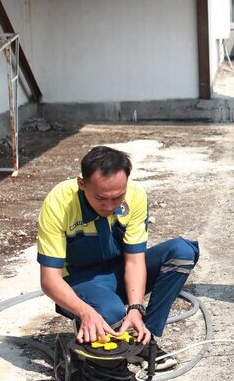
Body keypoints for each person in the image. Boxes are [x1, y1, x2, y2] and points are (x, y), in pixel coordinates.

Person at [37, 146, 199, 367]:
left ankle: (144, 339)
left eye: (118, 197)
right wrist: (84, 311)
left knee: (182, 252)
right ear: (82, 184)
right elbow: (49, 280)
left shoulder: (135, 195)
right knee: (111, 311)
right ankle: (97, 322)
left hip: (120, 271)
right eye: (101, 198)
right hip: (80, 280)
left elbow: (134, 260)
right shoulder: (59, 203)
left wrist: (135, 308)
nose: (111, 206)